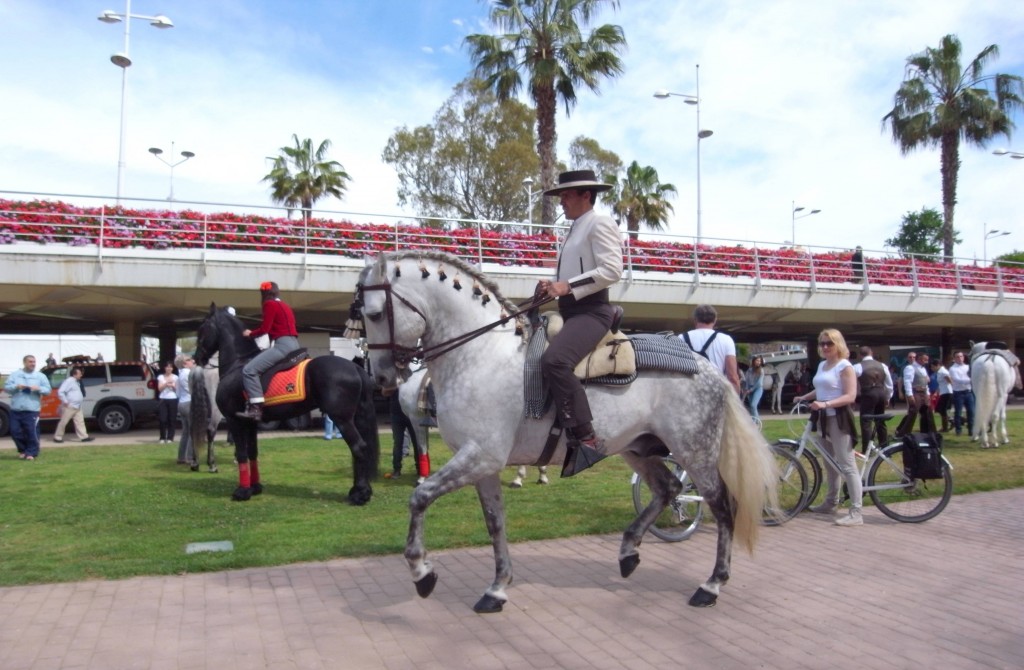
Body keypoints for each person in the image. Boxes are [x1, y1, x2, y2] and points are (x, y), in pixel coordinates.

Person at [538, 170, 623, 477]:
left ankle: (586, 436)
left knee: (555, 360)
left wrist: (568, 286)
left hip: (592, 311)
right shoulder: (574, 228)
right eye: (561, 195)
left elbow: (613, 269)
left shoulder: (600, 222)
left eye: (567, 195)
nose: (562, 201)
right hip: (571, 312)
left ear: (586, 195)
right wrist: (552, 287)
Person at [796, 329, 862, 526]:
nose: (825, 347)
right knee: (829, 463)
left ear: (838, 345)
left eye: (829, 343)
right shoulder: (823, 365)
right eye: (822, 343)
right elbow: (823, 388)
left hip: (838, 418)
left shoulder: (845, 366)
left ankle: (856, 512)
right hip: (822, 418)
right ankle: (830, 502)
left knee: (847, 465)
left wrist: (825, 404)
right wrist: (805, 397)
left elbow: (850, 396)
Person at [236, 281, 300, 421]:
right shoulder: (285, 306)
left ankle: (256, 408)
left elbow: (265, 329)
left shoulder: (269, 304)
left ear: (264, 293)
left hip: (282, 345)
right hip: (295, 344)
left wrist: (250, 334)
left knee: (249, 370)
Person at [680, 304, 741, 395]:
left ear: (695, 320)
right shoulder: (726, 340)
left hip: (689, 392)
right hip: (716, 392)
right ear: (715, 320)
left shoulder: (681, 338)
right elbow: (732, 376)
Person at [4, 355, 52, 460]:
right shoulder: (15, 375)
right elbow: (6, 388)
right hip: (16, 409)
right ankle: (22, 449)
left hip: (32, 410)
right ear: (24, 363)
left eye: (34, 362)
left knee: (31, 432)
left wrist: (38, 388)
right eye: (30, 362)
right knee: (14, 431)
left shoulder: (40, 376)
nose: (33, 364)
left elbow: (48, 390)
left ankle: (31, 453)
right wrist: (16, 387)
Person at [853, 346, 893, 450]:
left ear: (860, 355)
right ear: (871, 353)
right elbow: (889, 384)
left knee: (866, 421)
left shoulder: (858, 366)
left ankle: (867, 449)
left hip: (868, 393)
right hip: (881, 392)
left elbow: (852, 382)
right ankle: (884, 446)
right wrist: (888, 397)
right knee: (881, 420)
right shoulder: (882, 365)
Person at [385, 392, 421, 479]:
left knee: (417, 443)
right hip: (396, 414)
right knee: (398, 443)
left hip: (412, 414)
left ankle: (419, 469)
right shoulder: (393, 379)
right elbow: (384, 392)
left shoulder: (412, 378)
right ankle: (397, 469)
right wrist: (395, 387)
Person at [895, 351, 931, 437]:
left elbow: (926, 382)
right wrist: (909, 394)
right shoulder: (910, 368)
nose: (926, 361)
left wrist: (928, 393)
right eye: (924, 359)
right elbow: (907, 381)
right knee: (913, 412)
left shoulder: (923, 369)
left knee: (927, 413)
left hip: (924, 392)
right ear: (919, 358)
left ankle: (926, 433)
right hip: (916, 392)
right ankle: (903, 433)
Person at [54, 366, 93, 443]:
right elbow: (61, 391)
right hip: (70, 406)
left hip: (77, 406)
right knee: (64, 422)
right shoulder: (69, 381)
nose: (81, 375)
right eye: (79, 374)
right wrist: (65, 401)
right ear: (74, 374)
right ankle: (57, 437)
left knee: (80, 422)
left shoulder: (76, 382)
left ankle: (84, 437)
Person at [175, 354, 196, 464]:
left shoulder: (179, 375)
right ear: (184, 363)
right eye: (189, 360)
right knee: (193, 431)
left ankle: (181, 457)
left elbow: (177, 392)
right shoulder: (188, 373)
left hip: (181, 402)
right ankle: (190, 456)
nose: (192, 361)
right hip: (189, 402)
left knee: (185, 432)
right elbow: (191, 389)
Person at [949, 351, 974, 436]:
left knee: (971, 411)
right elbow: (958, 380)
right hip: (958, 393)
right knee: (958, 412)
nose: (960, 358)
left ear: (963, 357)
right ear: (954, 358)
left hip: (968, 392)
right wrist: (971, 380)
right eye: (957, 357)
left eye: (961, 356)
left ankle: (971, 429)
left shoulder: (968, 367)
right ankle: (958, 430)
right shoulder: (953, 369)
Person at [156, 361, 179, 444]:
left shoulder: (176, 377)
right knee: (162, 419)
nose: (169, 368)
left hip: (173, 399)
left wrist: (172, 385)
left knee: (172, 419)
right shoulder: (161, 377)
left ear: (172, 368)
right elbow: (159, 389)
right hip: (163, 399)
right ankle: (162, 437)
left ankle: (170, 437)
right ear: (164, 368)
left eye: (170, 367)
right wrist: (166, 384)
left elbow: (177, 389)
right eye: (167, 367)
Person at [741, 355, 765, 422]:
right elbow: (746, 381)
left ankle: (755, 422)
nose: (758, 362)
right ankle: (757, 422)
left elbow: (759, 383)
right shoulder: (749, 370)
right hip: (749, 389)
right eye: (757, 360)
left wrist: (751, 390)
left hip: (758, 389)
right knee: (752, 408)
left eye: (760, 361)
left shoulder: (761, 371)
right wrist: (746, 389)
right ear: (754, 361)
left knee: (753, 405)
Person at [932, 358, 953, 432]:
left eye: (933, 367)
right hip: (943, 392)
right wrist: (936, 392)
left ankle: (945, 427)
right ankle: (950, 420)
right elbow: (941, 384)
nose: (932, 369)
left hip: (947, 392)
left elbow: (950, 381)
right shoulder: (939, 372)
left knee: (942, 410)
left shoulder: (943, 372)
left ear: (937, 365)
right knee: (939, 409)